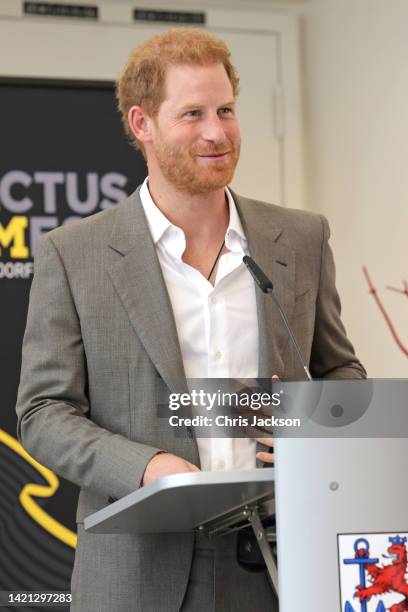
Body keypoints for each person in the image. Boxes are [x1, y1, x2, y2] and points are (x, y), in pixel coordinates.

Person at [16, 28, 366, 611]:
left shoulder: (302, 238)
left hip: (281, 565)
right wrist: (146, 466)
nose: (217, 133)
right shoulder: (74, 254)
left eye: (226, 110)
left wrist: (312, 429)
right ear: (142, 124)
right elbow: (43, 412)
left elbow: (341, 374)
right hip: (136, 575)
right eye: (193, 114)